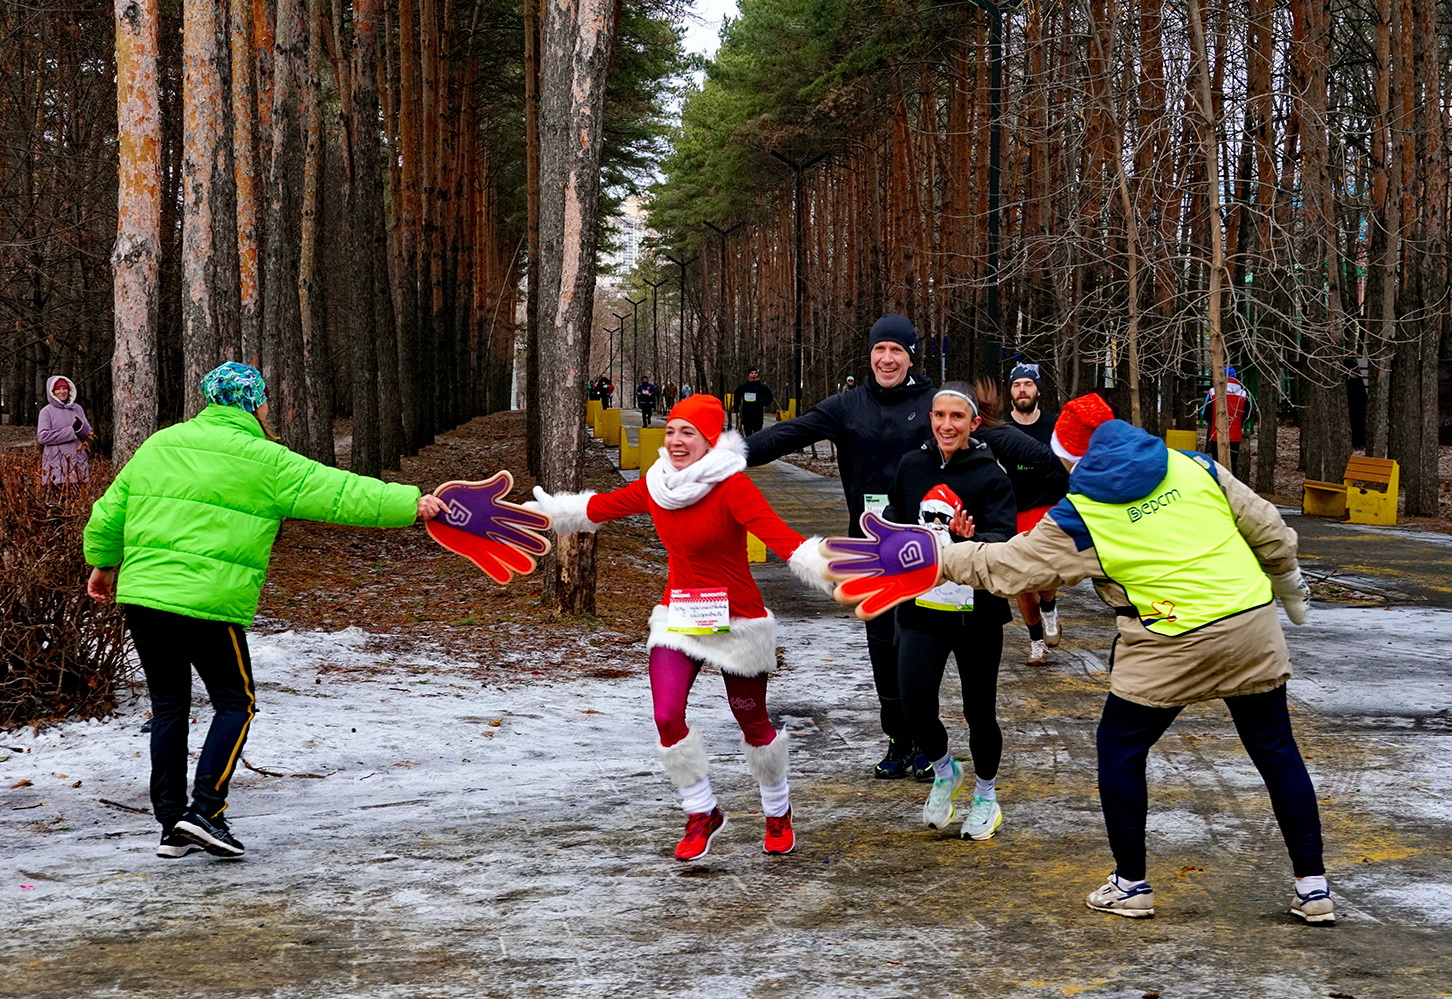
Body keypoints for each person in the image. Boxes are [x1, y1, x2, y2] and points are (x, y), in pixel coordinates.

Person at [833, 392, 1331, 924]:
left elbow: (1010, 567)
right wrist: (1288, 581)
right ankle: (1314, 887)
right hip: (1248, 624)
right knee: (1276, 750)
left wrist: (931, 558)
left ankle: (1132, 883)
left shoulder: (1083, 512)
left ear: (1071, 456)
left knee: (1120, 748)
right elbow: (1266, 525)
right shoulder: (1194, 464)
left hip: (1167, 636)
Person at [84, 362, 450, 861]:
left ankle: (171, 824)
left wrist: (103, 567)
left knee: (170, 708)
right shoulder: (265, 459)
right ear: (256, 403)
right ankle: (205, 811)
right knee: (236, 703)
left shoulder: (159, 445)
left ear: (211, 399)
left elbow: (109, 512)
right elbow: (340, 493)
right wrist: (412, 504)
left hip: (145, 599)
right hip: (210, 603)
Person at [528, 394, 831, 861]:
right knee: (667, 716)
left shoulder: (732, 486)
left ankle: (777, 809)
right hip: (680, 615)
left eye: (687, 433)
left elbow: (783, 539)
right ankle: (701, 811)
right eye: (670, 431)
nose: (674, 441)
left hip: (737, 620)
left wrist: (833, 569)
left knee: (752, 722)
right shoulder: (656, 484)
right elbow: (598, 509)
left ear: (710, 441)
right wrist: (543, 514)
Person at [744, 313, 935, 779]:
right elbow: (789, 433)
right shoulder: (848, 406)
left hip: (930, 549)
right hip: (868, 552)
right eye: (879, 350)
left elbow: (984, 441)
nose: (887, 358)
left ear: (911, 356)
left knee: (921, 649)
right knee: (881, 647)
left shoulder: (934, 403)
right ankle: (898, 739)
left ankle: (929, 743)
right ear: (870, 355)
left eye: (897, 350)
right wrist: (723, 457)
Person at [884, 383, 1016, 840]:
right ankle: (944, 771)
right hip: (922, 607)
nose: (945, 425)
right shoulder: (912, 465)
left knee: (979, 711)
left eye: (956, 417)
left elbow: (1007, 542)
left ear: (973, 423)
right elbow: (896, 527)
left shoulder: (990, 475)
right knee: (914, 703)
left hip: (976, 613)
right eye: (938, 415)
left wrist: (969, 540)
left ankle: (986, 795)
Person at [996, 364, 1070, 665]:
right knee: (1022, 582)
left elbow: (1069, 463)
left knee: (1045, 574)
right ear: (1010, 391)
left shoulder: (1055, 425)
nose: (1022, 389)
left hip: (1049, 508)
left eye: (1028, 384)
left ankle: (1049, 605)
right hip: (1013, 510)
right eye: (1017, 385)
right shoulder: (998, 427)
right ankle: (1037, 641)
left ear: (1038, 390)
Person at [37, 375, 93, 494]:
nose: (62, 391)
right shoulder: (46, 411)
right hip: (57, 465)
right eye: (58, 389)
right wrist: (71, 431)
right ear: (52, 392)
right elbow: (43, 436)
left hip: (78, 463)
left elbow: (88, 434)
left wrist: (81, 429)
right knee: (58, 503)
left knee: (77, 503)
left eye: (64, 388)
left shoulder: (77, 408)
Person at [1201, 366, 1255, 474]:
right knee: (1232, 464)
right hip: (1235, 435)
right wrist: (1240, 424)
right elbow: (1250, 414)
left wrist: (1212, 425)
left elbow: (1205, 413)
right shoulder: (1243, 394)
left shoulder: (1213, 392)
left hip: (1216, 433)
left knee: (1217, 465)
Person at [731, 368, 777, 437]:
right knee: (748, 433)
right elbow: (736, 395)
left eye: (755, 373)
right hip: (747, 414)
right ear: (748, 375)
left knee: (757, 434)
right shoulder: (744, 387)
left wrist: (763, 403)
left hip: (757, 414)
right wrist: (736, 406)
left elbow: (770, 397)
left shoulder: (762, 387)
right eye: (752, 373)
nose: (754, 375)